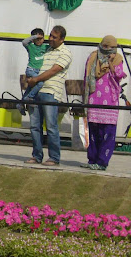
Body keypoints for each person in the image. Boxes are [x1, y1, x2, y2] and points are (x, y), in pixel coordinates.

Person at [25, 25, 72, 166]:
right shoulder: (46, 49)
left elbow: (53, 71)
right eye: (50, 35)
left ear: (62, 39)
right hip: (35, 91)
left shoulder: (65, 52)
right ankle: (37, 155)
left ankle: (54, 157)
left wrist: (36, 79)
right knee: (34, 126)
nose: (50, 39)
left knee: (51, 126)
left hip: (51, 91)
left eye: (54, 37)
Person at [81, 35, 126, 171]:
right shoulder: (93, 56)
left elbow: (118, 75)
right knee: (93, 132)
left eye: (112, 47)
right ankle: (92, 159)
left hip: (110, 102)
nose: (108, 49)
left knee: (107, 133)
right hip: (94, 98)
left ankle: (102, 162)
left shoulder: (118, 58)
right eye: (106, 46)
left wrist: (110, 62)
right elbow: (87, 76)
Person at [17, 28, 49, 115]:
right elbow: (24, 42)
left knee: (30, 87)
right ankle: (29, 98)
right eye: (37, 39)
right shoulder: (31, 46)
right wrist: (34, 36)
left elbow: (53, 45)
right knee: (40, 83)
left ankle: (21, 103)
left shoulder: (45, 47)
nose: (39, 41)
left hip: (39, 71)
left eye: (41, 39)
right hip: (31, 69)